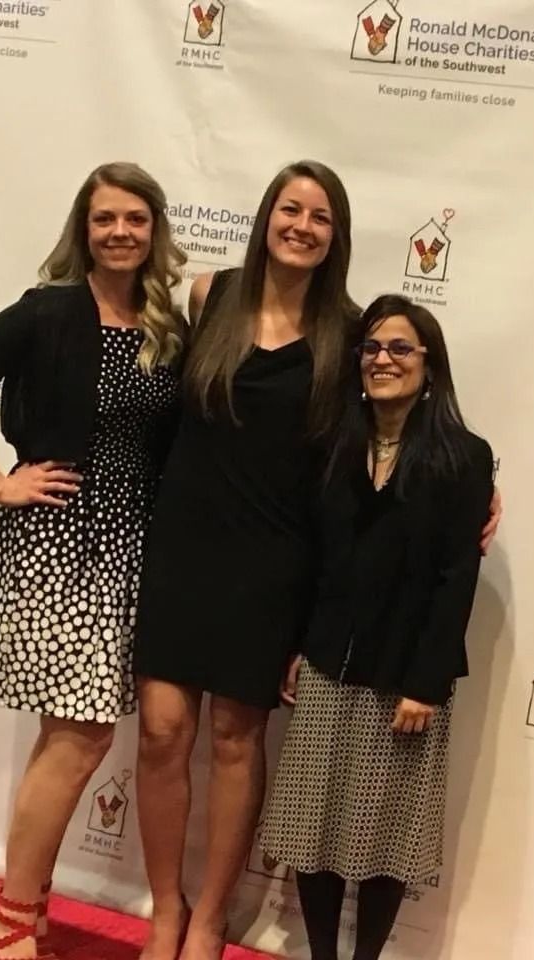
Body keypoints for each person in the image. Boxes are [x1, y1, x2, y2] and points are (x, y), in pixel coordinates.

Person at [133, 161, 502, 960]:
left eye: (321, 216)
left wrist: (475, 494)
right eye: (290, 208)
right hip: (183, 545)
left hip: (274, 561)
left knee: (236, 737)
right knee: (163, 731)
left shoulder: (347, 329)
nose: (302, 225)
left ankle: (209, 920)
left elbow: (385, 437)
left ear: (336, 237)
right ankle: (166, 908)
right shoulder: (208, 295)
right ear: (268, 216)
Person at [0, 162, 186, 960]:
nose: (120, 233)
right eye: (105, 219)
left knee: (71, 736)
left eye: (136, 219)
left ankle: (23, 906)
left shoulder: (167, 323)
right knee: (82, 737)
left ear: (154, 229)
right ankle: (12, 911)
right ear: (84, 228)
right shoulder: (50, 311)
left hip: (130, 542)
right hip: (56, 541)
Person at [259, 294, 494, 960]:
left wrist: (426, 682)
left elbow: (456, 581)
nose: (383, 360)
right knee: (313, 826)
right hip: (329, 662)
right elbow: (314, 558)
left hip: (407, 680)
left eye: (400, 348)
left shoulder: (464, 457)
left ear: (429, 365)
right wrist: (301, 647)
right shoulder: (334, 446)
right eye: (372, 348)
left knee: (386, 834)